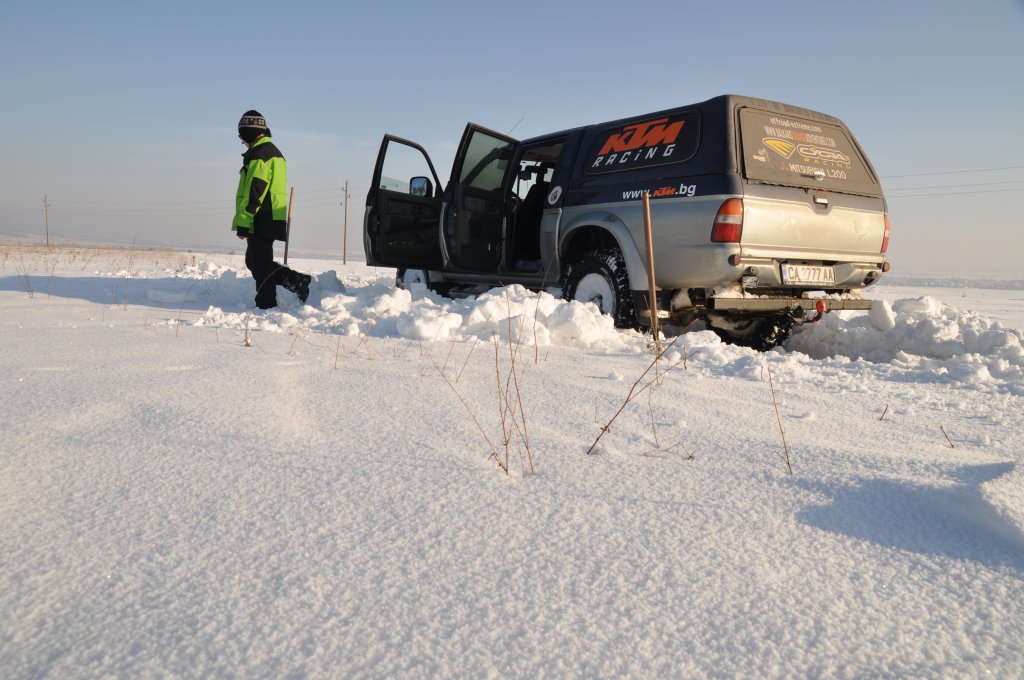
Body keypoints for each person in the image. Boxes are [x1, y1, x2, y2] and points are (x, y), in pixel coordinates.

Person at [232, 110, 311, 309]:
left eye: (242, 136)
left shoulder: (260, 154)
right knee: (255, 261)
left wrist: (244, 221)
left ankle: (267, 303)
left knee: (259, 263)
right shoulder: (271, 152)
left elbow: (255, 192)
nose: (242, 141)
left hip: (261, 216)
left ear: (250, 132)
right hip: (270, 216)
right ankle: (296, 281)